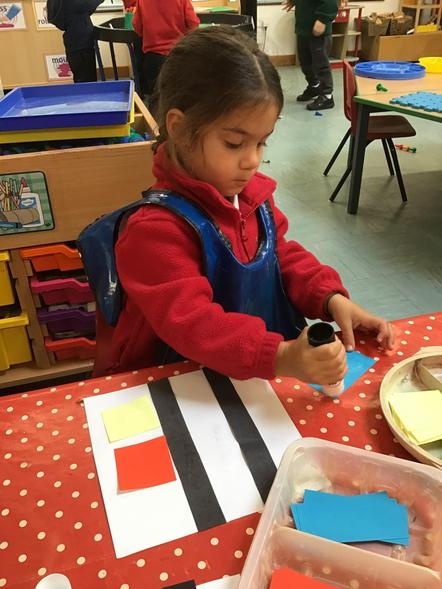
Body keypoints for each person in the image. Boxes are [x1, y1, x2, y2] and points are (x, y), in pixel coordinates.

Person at [86, 26, 393, 386]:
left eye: (262, 143)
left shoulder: (251, 197)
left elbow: (280, 256)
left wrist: (330, 298)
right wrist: (279, 356)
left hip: (251, 374)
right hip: (180, 381)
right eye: (234, 144)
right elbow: (194, 324)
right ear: (180, 130)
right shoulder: (153, 231)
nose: (252, 161)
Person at [133, 0, 199, 100]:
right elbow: (193, 24)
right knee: (178, 96)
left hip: (153, 58)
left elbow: (137, 27)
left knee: (155, 98)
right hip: (178, 56)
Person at [283, 0, 338, 110]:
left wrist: (323, 20)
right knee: (305, 62)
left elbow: (331, 3)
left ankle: (327, 96)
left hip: (319, 31)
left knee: (321, 65)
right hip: (304, 29)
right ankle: (314, 86)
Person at [46, 0, 103, 83]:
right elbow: (88, 4)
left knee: (81, 77)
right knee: (86, 81)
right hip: (82, 43)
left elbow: (86, 9)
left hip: (73, 41)